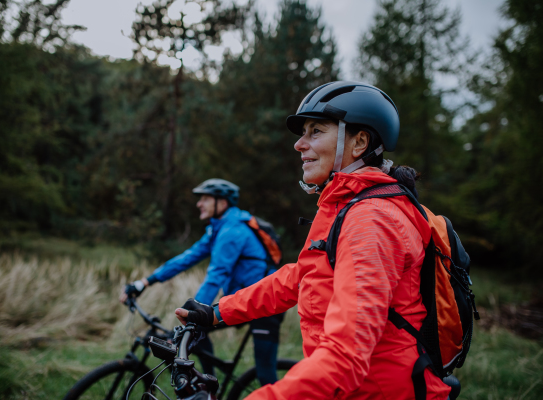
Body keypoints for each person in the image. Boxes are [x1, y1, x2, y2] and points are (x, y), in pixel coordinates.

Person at [175, 82, 452, 399]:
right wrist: (218, 312)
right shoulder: (345, 208)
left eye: (315, 131)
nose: (299, 144)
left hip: (381, 390)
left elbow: (347, 355)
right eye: (302, 133)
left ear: (359, 142)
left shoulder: (371, 220)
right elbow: (300, 277)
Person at [120, 178, 283, 386]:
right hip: (243, 300)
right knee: (200, 332)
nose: (199, 204)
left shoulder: (233, 231)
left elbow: (216, 275)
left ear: (222, 203)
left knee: (266, 375)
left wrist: (194, 314)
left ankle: (208, 386)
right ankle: (207, 387)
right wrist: (144, 282)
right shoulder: (218, 228)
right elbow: (186, 259)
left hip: (266, 305)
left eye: (205, 199)